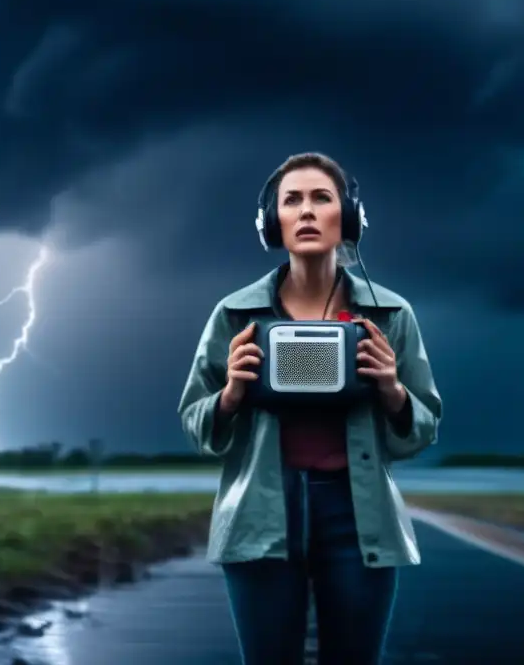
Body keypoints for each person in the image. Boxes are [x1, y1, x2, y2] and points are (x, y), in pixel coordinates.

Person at [177, 151, 443, 665]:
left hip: (358, 514)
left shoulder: (392, 314)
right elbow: (195, 423)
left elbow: (424, 429)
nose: (305, 212)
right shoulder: (233, 315)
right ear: (270, 221)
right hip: (260, 512)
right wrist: (230, 395)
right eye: (291, 200)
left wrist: (393, 390)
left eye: (321, 198)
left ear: (348, 216)